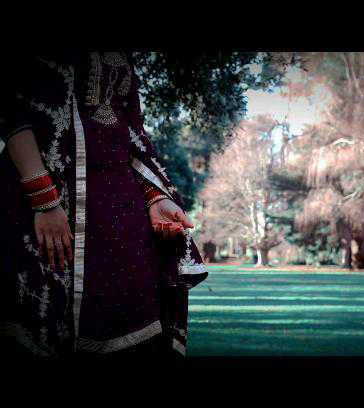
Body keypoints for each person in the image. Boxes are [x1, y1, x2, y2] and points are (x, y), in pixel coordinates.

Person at [0, 52, 208, 359]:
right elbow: (10, 109)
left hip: (121, 218)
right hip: (42, 207)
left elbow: (132, 132)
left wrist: (156, 197)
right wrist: (44, 200)